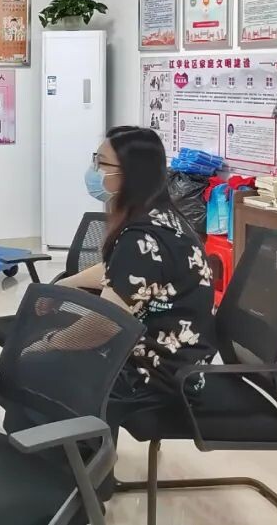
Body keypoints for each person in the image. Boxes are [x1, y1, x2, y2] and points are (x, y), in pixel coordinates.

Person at [57, 126, 216, 428]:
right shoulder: (160, 216)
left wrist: (48, 342)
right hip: (179, 358)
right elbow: (121, 271)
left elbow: (102, 327)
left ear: (130, 174)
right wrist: (66, 285)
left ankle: (74, 453)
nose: (94, 171)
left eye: (102, 163)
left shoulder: (143, 236)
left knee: (40, 365)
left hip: (159, 375)